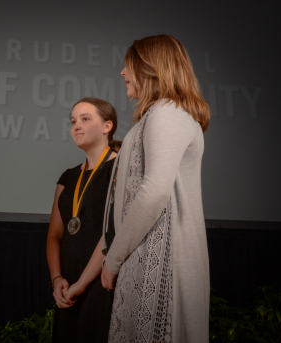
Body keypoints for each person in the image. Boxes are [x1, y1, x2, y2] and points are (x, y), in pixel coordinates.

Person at [101, 35, 211, 342]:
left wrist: (113, 260)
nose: (123, 72)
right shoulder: (159, 114)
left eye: (128, 65)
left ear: (150, 68)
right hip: (146, 254)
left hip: (165, 264)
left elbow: (153, 192)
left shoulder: (168, 112)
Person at [46, 97, 121, 343]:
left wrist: (81, 284)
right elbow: (55, 235)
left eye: (85, 119)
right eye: (73, 121)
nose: (76, 126)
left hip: (101, 281)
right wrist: (58, 279)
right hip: (67, 286)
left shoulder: (121, 169)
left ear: (106, 126)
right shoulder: (67, 177)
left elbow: (112, 232)